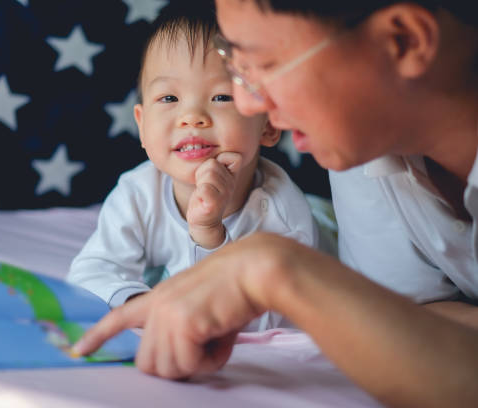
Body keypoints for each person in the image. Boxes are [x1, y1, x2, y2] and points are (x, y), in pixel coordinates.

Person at [71, 0, 478, 406]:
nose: (252, 104)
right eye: (240, 72)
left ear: (403, 41)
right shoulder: (363, 155)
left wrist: (275, 270)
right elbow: (408, 324)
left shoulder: (291, 198)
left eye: (265, 65)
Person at [67, 3, 319, 331]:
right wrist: (142, 305)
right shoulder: (137, 193)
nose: (192, 118)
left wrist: (210, 236)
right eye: (169, 99)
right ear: (142, 127)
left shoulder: (284, 218)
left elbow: (269, 322)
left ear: (270, 122)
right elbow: (89, 273)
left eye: (221, 97)